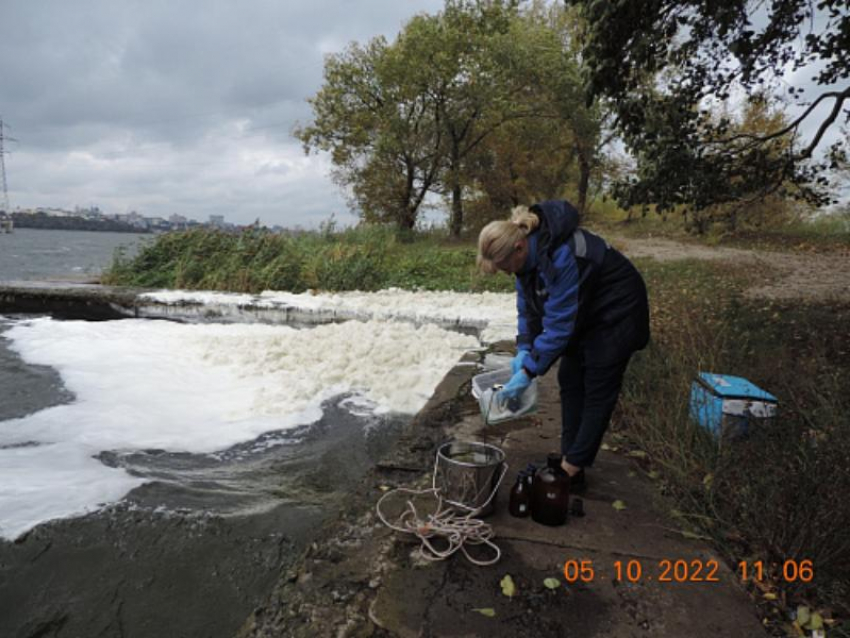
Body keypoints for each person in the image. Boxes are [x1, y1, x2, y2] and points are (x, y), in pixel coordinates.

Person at [477, 200, 649, 486]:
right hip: (586, 310)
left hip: (616, 311)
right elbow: (528, 309)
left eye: (505, 266)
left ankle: (571, 469)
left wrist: (530, 370)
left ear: (519, 248)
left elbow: (559, 324)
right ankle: (572, 459)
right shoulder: (526, 260)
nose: (507, 273)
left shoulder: (563, 256)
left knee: (597, 386)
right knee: (569, 377)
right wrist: (524, 348)